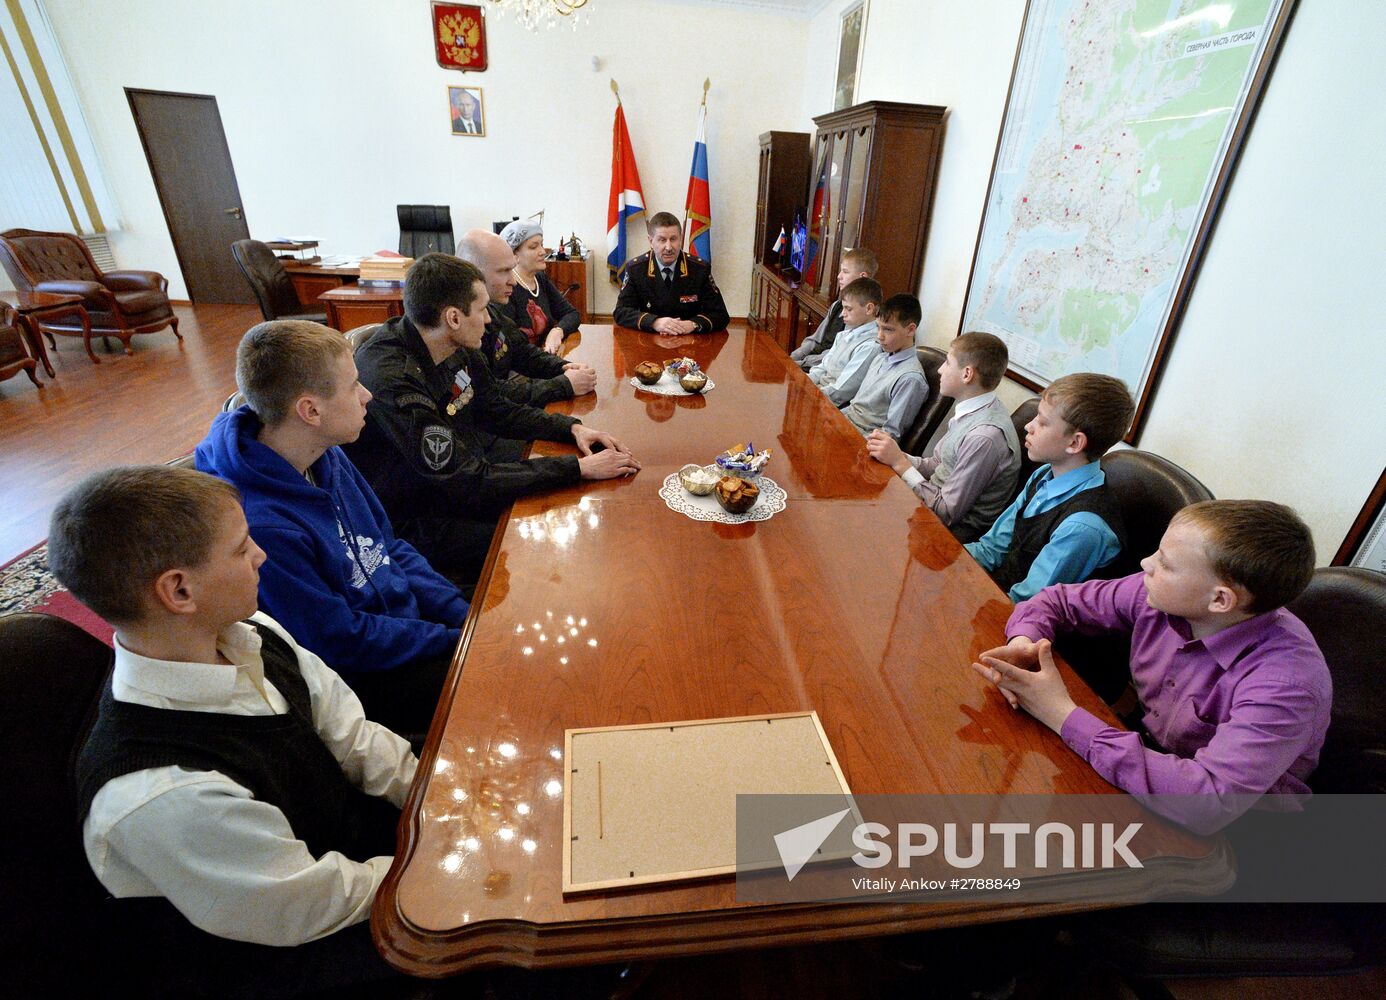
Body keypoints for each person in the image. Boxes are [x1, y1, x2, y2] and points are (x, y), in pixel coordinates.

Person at [51, 465, 414, 995]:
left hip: (345, 857)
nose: (261, 555)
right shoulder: (159, 792)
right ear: (179, 591)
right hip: (284, 951)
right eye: (242, 548)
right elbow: (310, 903)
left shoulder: (253, 633)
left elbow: (355, 740)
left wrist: (445, 799)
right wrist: (444, 870)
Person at [971, 500, 1331, 836]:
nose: (1146, 563)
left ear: (1220, 599)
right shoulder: (1163, 596)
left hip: (1235, 830)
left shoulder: (1287, 683)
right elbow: (1057, 601)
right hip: (1147, 760)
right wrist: (1026, 645)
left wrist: (1061, 713)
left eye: (1166, 564)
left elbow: (1208, 803)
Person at [196, 319, 469, 736]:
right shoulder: (263, 524)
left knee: (504, 618)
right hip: (363, 678)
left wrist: (460, 616)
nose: (367, 395)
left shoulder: (323, 450)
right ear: (310, 410)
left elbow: (388, 547)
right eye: (353, 385)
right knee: (505, 684)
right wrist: (453, 640)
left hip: (403, 630)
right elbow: (339, 640)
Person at [345, 253, 639, 585]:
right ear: (454, 317)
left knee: (563, 508)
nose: (489, 320)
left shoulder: (449, 339)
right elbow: (466, 480)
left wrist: (571, 428)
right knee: (537, 539)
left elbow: (493, 408)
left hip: (455, 480)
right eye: (483, 309)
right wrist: (579, 468)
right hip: (414, 515)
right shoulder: (393, 381)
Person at [965, 373, 1135, 602]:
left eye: (1043, 422)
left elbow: (1024, 603)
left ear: (1074, 443)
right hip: (996, 592)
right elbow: (991, 550)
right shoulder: (1044, 475)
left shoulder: (1082, 526)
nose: (1029, 426)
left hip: (1022, 621)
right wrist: (945, 557)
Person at [866, 331, 1020, 542]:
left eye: (947, 363)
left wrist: (900, 464)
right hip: (927, 506)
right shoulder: (974, 410)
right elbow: (939, 464)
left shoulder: (984, 437)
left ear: (967, 374)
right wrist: (894, 453)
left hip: (947, 537)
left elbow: (946, 513)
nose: (940, 370)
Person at [458, 228, 596, 408]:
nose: (513, 281)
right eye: (503, 271)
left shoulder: (491, 310)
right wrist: (563, 385)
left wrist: (563, 367)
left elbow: (522, 353)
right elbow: (490, 395)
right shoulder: (462, 325)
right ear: (473, 272)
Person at [613, 211, 729, 334]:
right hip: (649, 341)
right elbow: (621, 312)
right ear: (651, 241)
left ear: (681, 238)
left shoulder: (699, 269)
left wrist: (693, 324)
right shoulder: (636, 269)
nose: (668, 247)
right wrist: (654, 322)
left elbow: (720, 315)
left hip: (688, 342)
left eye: (673, 239)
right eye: (662, 240)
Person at [839, 292, 928, 440]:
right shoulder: (880, 358)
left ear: (911, 329)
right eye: (878, 327)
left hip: (861, 439)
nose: (879, 336)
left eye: (888, 329)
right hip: (844, 423)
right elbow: (856, 408)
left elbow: (890, 435)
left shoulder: (910, 379)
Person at [789, 247, 878, 371]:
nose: (838, 276)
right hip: (809, 364)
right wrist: (792, 358)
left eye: (845, 272)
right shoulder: (837, 305)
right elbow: (815, 339)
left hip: (820, 368)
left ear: (862, 277)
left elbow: (835, 356)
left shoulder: (860, 316)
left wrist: (801, 363)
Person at [500, 219, 580, 353]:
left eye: (541, 245)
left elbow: (571, 314)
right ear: (514, 255)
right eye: (533, 247)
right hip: (525, 367)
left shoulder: (540, 278)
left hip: (547, 358)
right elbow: (513, 348)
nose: (542, 251)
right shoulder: (506, 288)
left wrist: (557, 331)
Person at [805, 277, 882, 406]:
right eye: (843, 308)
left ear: (869, 309)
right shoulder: (843, 335)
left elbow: (841, 391)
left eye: (849, 309)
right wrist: (803, 382)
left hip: (830, 405)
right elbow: (823, 367)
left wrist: (808, 394)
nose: (842, 314)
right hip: (817, 392)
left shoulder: (870, 346)